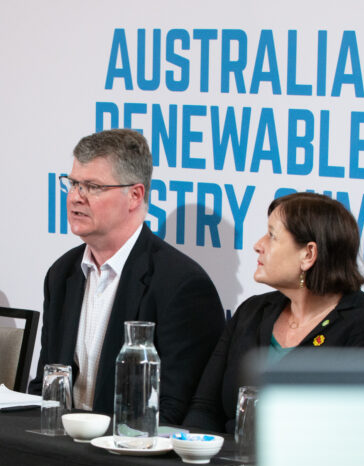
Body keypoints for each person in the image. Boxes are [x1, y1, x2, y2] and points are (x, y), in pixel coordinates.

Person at [29, 128, 224, 424]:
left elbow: (175, 410)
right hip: (60, 451)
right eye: (72, 184)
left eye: (92, 187)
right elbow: (46, 384)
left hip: (129, 458)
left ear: (134, 195)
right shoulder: (62, 274)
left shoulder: (181, 285)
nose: (74, 198)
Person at [184, 192, 364, 433]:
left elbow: (354, 435)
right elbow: (203, 410)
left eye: (272, 236)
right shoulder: (252, 312)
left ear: (308, 254)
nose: (258, 245)